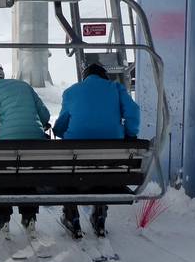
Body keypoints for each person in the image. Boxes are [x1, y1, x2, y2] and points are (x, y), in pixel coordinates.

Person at [52, 62, 141, 238]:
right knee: (104, 168)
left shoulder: (71, 92)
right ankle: (99, 213)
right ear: (104, 77)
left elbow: (60, 127)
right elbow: (133, 111)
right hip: (111, 170)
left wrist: (65, 132)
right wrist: (130, 133)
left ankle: (71, 215)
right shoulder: (116, 88)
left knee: (67, 169)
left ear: (85, 77)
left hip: (76, 170)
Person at [0, 62, 50, 236]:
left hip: (8, 145)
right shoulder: (24, 86)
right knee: (28, 176)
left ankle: (3, 218)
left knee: (1, 177)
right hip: (36, 143)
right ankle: (29, 217)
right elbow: (44, 115)